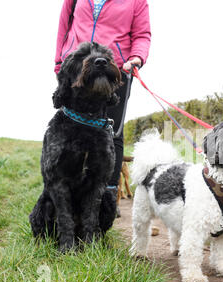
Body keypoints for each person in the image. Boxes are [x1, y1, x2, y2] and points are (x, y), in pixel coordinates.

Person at [54, 0, 151, 213]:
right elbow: (64, 26)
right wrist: (59, 62)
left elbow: (142, 34)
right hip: (77, 68)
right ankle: (66, 192)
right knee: (69, 129)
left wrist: (136, 57)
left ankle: (107, 195)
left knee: (112, 132)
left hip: (113, 70)